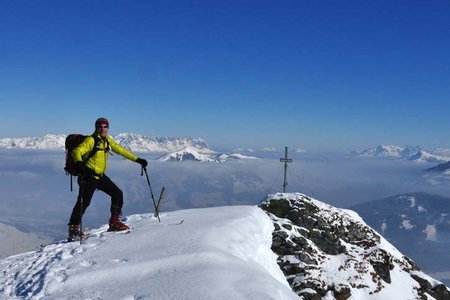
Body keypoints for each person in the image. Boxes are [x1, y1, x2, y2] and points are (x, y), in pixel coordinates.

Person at [67, 117, 148, 241]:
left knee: (117, 194)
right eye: (100, 126)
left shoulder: (107, 141)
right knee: (83, 203)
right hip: (88, 176)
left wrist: (138, 160)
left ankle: (114, 223)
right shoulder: (91, 140)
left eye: (105, 126)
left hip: (100, 176)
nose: (103, 129)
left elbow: (121, 150)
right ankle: (73, 231)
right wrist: (79, 164)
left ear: (108, 128)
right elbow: (77, 152)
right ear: (96, 127)